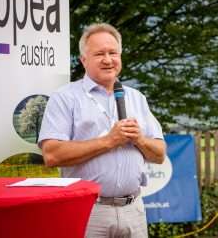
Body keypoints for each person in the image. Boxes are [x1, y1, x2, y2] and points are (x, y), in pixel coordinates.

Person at [38, 23, 166, 238]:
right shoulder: (65, 97)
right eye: (99, 54)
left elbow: (160, 154)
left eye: (113, 52)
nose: (108, 60)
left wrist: (139, 140)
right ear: (83, 60)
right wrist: (110, 141)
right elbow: (52, 155)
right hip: (88, 210)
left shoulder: (136, 98)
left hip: (133, 208)